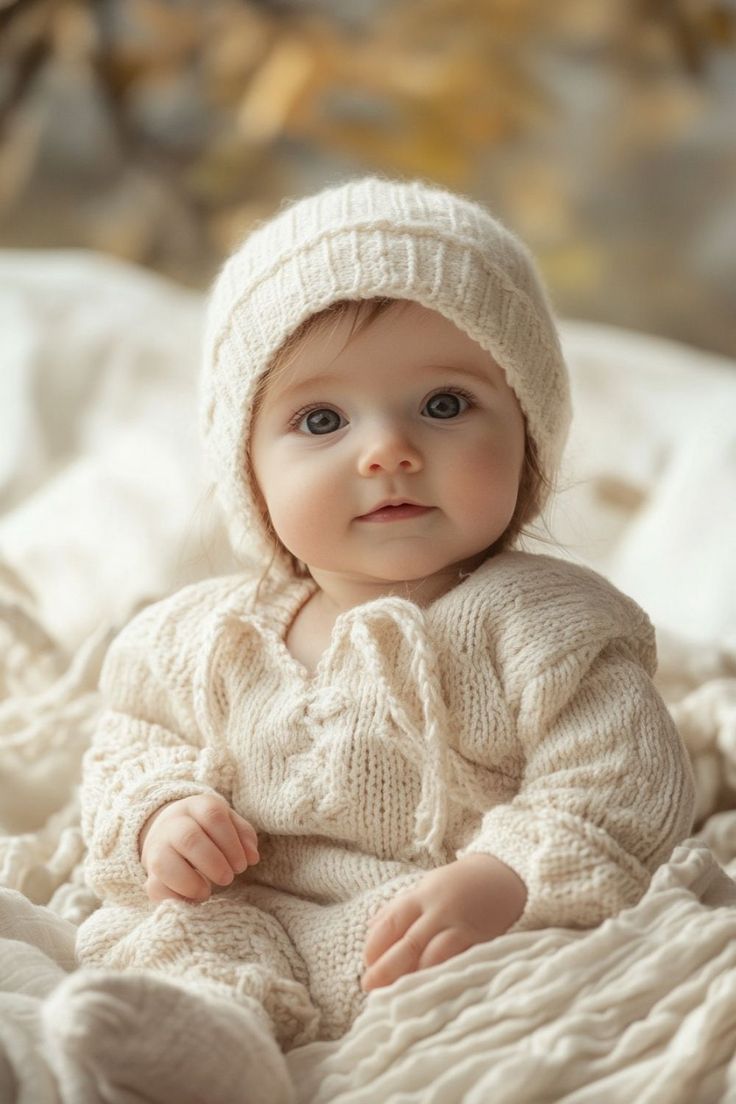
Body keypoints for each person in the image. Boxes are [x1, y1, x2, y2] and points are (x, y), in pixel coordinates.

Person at [42, 176, 695, 1104]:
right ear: (248, 469)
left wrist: (501, 880)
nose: (385, 450)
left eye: (443, 405)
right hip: (251, 908)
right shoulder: (203, 637)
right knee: (174, 931)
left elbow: (621, 782)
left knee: (539, 978)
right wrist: (159, 813)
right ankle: (211, 1042)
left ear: (530, 437)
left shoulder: (545, 623)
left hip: (433, 924)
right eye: (321, 420)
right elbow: (126, 744)